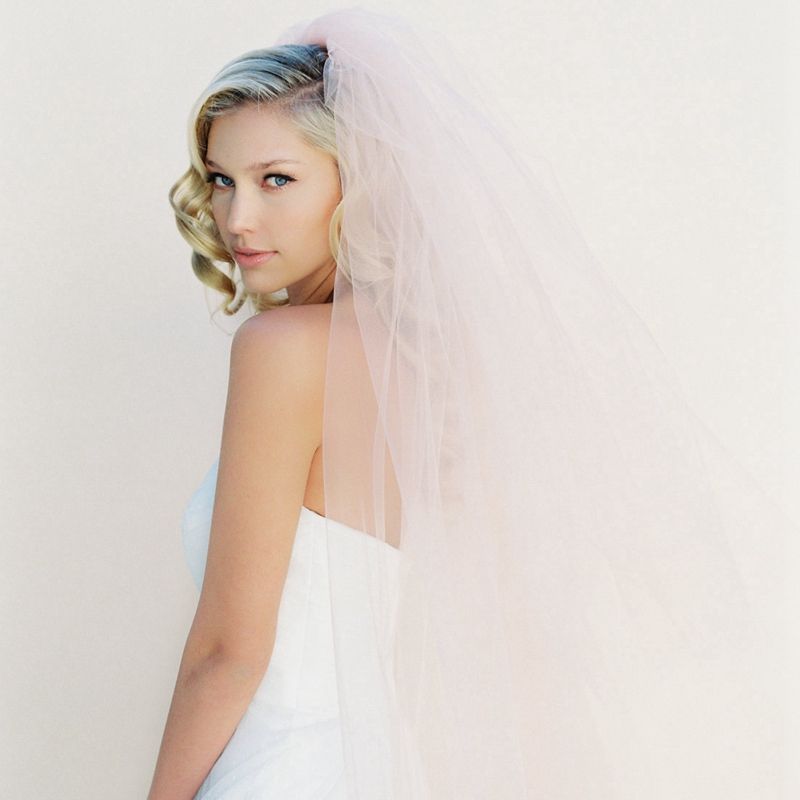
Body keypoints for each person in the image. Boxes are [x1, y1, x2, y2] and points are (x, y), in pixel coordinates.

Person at [149, 7, 795, 799]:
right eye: (222, 180)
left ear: (360, 182)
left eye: (275, 179)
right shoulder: (441, 361)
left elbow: (228, 653)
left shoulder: (281, 350)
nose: (236, 217)